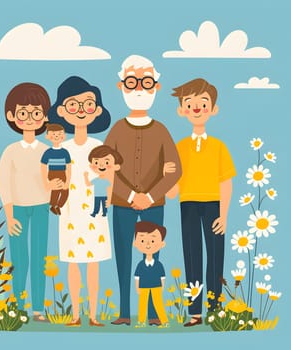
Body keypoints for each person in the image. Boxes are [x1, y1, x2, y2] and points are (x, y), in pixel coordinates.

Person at [105, 55, 182, 326]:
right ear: (121, 86)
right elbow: (107, 167)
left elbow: (175, 170)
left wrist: (148, 196)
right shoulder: (116, 130)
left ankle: (152, 313)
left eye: (146, 82)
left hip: (155, 204)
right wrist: (129, 196)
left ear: (156, 87)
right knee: (124, 257)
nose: (139, 88)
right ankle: (125, 312)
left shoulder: (161, 131)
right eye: (132, 82)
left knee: (153, 257)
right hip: (122, 205)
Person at [167, 78, 236, 327]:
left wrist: (224, 215)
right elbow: (173, 191)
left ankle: (215, 308)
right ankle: (195, 312)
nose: (196, 108)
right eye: (190, 103)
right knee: (192, 257)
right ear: (182, 109)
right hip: (187, 205)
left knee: (216, 257)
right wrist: (167, 177)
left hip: (213, 205)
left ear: (213, 109)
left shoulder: (219, 147)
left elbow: (226, 182)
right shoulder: (180, 147)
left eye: (203, 103)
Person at [47, 76, 111, 327]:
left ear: (96, 111)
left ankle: (93, 315)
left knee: (94, 263)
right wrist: (53, 187)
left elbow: (110, 174)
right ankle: (75, 314)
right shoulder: (62, 148)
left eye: (88, 105)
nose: (81, 111)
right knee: (73, 263)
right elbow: (52, 177)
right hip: (70, 210)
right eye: (74, 106)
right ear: (62, 112)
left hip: (97, 211)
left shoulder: (100, 145)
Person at [0, 82, 60, 322]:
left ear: (44, 116)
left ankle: (38, 308)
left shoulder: (47, 150)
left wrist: (55, 194)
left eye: (36, 113)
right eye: (23, 113)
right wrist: (9, 214)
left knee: (40, 257)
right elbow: (4, 183)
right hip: (18, 209)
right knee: (19, 257)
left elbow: (54, 179)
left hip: (42, 207)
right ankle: (18, 304)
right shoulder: (11, 151)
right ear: (12, 116)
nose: (30, 118)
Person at [133, 221, 169, 328]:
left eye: (153, 240)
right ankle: (141, 321)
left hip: (156, 286)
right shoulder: (140, 264)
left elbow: (162, 277)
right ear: (135, 243)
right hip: (143, 286)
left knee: (158, 304)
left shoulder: (159, 265)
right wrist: (137, 287)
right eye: (143, 240)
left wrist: (162, 286)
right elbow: (137, 277)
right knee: (142, 304)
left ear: (162, 244)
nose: (148, 244)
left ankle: (165, 321)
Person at [84, 145, 123, 217]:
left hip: (104, 196)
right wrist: (86, 176)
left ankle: (104, 213)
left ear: (116, 167)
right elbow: (88, 184)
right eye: (96, 163)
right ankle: (95, 213)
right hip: (97, 195)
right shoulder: (96, 179)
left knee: (104, 206)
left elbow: (109, 188)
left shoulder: (107, 181)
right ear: (91, 165)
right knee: (97, 205)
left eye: (107, 163)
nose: (101, 165)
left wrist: (109, 198)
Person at [41, 123, 71, 215]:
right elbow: (43, 166)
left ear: (64, 136)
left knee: (65, 192)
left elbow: (69, 167)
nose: (57, 136)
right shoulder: (48, 152)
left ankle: (58, 206)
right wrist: (46, 182)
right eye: (53, 134)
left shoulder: (65, 152)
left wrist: (67, 181)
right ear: (47, 136)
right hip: (53, 173)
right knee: (56, 191)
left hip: (63, 173)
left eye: (59, 134)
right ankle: (53, 206)